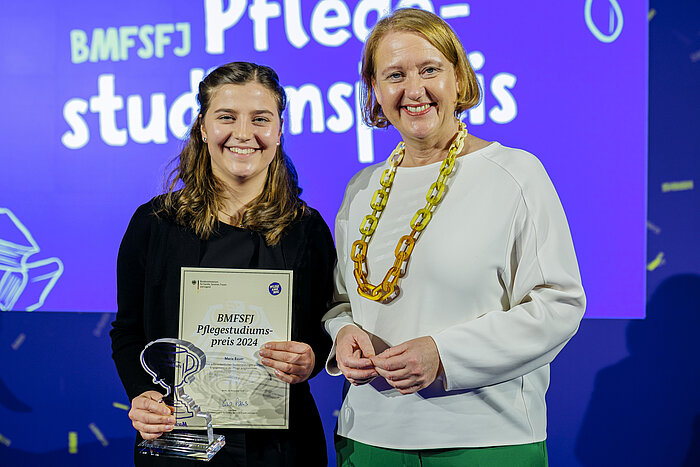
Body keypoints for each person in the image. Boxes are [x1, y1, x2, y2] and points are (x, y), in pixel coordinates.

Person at [323, 8, 586, 466]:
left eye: (430, 70)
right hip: (367, 438)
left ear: (459, 78)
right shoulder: (361, 188)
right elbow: (342, 300)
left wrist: (443, 354)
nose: (414, 91)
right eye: (394, 75)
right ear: (374, 92)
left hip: (484, 441)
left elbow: (558, 304)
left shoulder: (515, 174)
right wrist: (342, 332)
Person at [110, 62, 334, 467]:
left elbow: (325, 326)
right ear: (202, 127)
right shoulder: (154, 224)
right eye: (226, 117)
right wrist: (143, 393)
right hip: (180, 444)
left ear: (279, 131)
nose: (243, 134)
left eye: (260, 119)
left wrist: (312, 358)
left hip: (284, 448)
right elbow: (128, 332)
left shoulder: (308, 228)